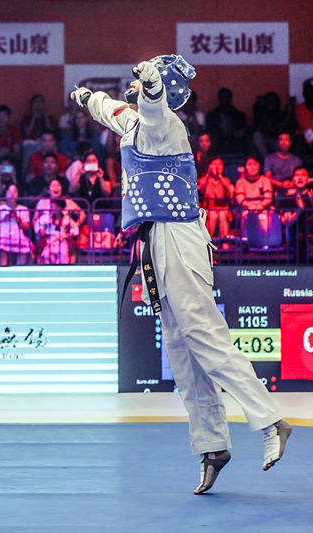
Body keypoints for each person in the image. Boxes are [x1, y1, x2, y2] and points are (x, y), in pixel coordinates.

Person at [71, 54, 291, 495]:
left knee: (204, 335)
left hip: (180, 238)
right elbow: (110, 109)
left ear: (159, 89)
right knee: (180, 350)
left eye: (143, 84)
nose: (134, 89)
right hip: (154, 242)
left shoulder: (165, 124)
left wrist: (150, 76)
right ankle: (212, 447)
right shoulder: (134, 122)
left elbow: (152, 101)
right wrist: (86, 97)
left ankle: (271, 421)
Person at [33, 178, 83, 264]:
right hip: (49, 239)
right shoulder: (46, 216)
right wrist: (40, 231)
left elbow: (76, 224)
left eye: (58, 185)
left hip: (62, 240)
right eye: (53, 185)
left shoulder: (66, 218)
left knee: (62, 254)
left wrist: (71, 232)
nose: (56, 187)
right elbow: (37, 222)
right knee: (47, 255)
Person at [0, 184, 32, 266]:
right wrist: (4, 219)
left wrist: (17, 219)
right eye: (9, 191)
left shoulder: (23, 209)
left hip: (18, 236)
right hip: (3, 235)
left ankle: (20, 268)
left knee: (26, 244)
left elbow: (26, 228)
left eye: (14, 192)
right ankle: (3, 266)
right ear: (5, 194)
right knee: (1, 243)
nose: (12, 194)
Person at [277, 167, 313, 262]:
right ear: (293, 180)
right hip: (296, 235)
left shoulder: (311, 196)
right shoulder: (287, 199)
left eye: (303, 175)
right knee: (300, 238)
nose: (300, 177)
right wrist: (299, 210)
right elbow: (287, 223)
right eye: (297, 175)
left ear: (308, 180)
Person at [196, 158, 235, 241]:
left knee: (222, 215)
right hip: (209, 209)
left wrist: (219, 176)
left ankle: (224, 242)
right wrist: (208, 174)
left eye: (219, 164)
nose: (217, 167)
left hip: (223, 210)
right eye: (214, 164)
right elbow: (201, 190)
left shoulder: (225, 180)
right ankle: (207, 241)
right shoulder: (205, 180)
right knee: (212, 215)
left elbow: (227, 189)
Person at [205, 88, 248, 158]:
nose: (225, 100)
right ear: (219, 99)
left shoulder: (239, 115)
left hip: (235, 142)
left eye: (227, 98)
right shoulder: (212, 115)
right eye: (222, 98)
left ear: (230, 99)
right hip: (218, 144)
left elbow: (242, 130)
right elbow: (210, 131)